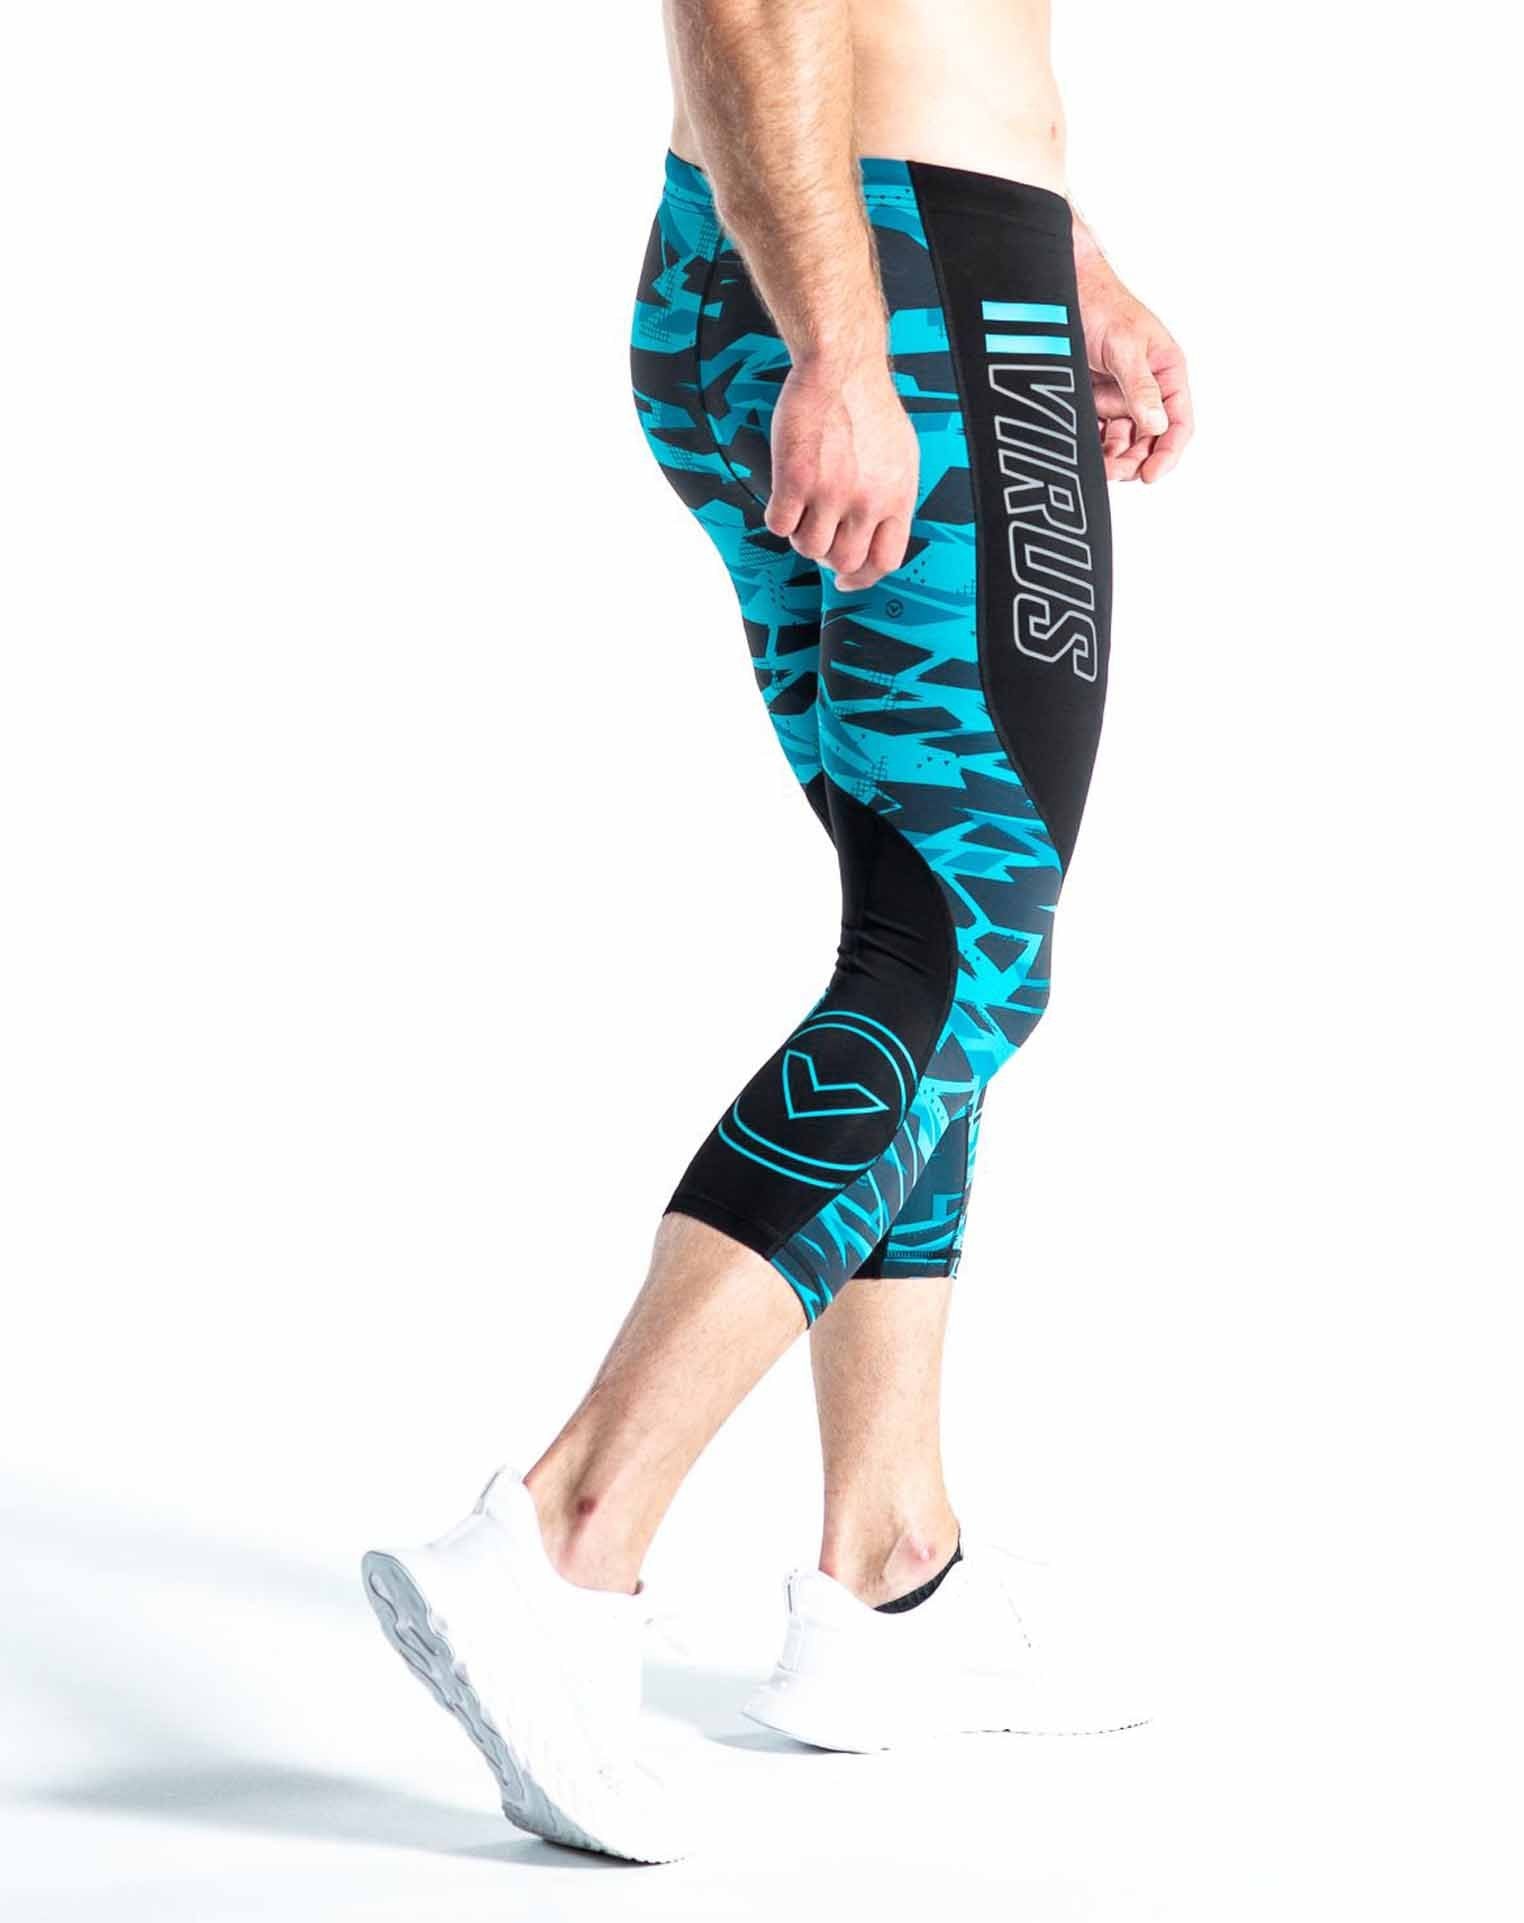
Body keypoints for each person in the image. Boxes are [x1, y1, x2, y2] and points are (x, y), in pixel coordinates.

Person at [362, 0, 1192, 1864]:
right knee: (963, 955)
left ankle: (890, 1575)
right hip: (896, 286)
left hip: (847, 255)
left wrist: (1064, 253)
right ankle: (567, 1534)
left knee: (922, 929)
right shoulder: (877, 301)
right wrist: (850, 337)